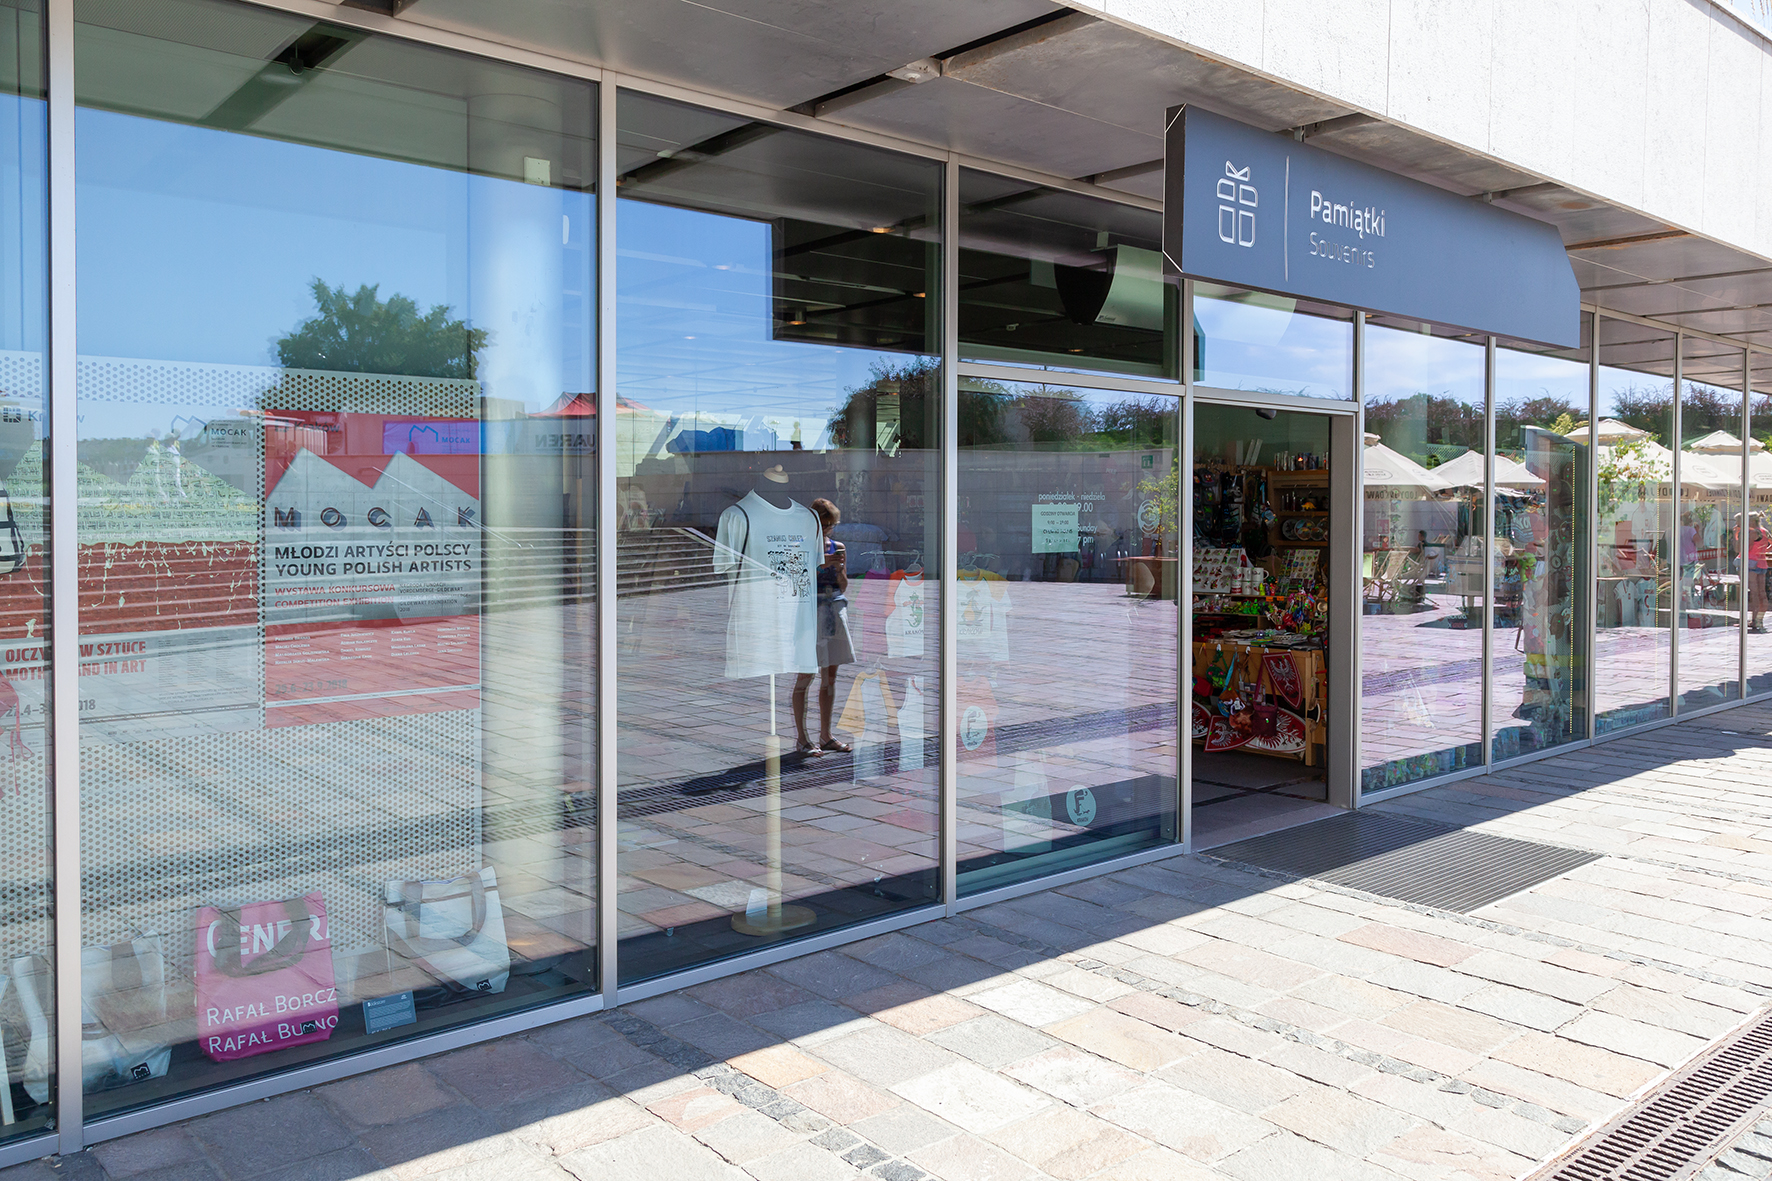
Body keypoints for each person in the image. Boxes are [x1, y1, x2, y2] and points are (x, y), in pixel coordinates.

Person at [794, 497, 855, 754]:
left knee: (830, 677)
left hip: (834, 609)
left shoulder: (837, 547)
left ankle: (826, 735)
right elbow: (795, 583)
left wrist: (838, 569)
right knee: (806, 675)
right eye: (825, 524)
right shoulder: (801, 547)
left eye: (832, 525)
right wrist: (819, 564)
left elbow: (844, 585)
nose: (829, 529)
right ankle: (802, 738)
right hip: (810, 613)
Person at [1742, 512, 1771, 634]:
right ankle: (1759, 620)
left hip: (1752, 564)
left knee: (1754, 594)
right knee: (1762, 594)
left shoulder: (1753, 532)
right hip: (1762, 563)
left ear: (1752, 521)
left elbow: (1747, 548)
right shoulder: (1765, 531)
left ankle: (1754, 619)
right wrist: (1764, 551)